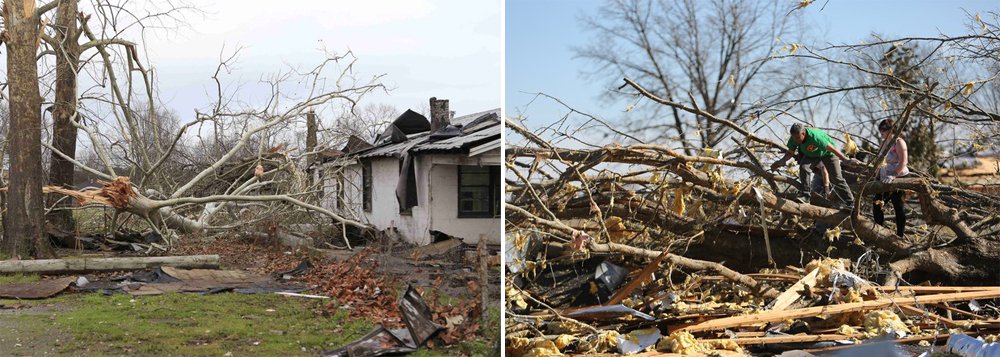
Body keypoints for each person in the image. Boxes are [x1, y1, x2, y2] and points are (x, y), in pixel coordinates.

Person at [771, 123, 855, 209]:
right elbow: (790, 152)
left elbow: (832, 149)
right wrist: (781, 161)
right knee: (804, 167)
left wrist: (845, 159)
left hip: (828, 154)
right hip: (811, 155)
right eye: (793, 137)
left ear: (803, 133)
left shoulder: (815, 137)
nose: (795, 140)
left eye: (797, 138)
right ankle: (806, 195)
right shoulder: (794, 138)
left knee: (836, 178)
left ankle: (850, 203)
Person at [873, 119, 909, 237]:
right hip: (884, 178)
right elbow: (880, 161)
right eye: (880, 129)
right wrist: (876, 175)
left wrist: (894, 175)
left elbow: (903, 161)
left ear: (892, 129)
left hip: (898, 178)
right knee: (877, 205)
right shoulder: (883, 143)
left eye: (884, 129)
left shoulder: (899, 142)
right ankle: (879, 232)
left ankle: (900, 235)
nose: (881, 132)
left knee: (898, 206)